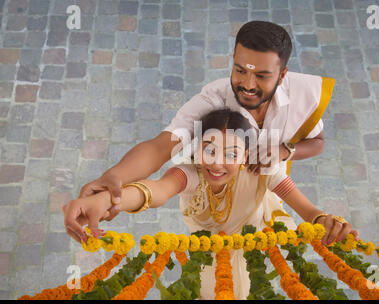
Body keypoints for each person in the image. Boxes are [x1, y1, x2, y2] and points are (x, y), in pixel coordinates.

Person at [65, 20, 335, 247]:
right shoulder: (210, 107)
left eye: (262, 76)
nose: (248, 85)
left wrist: (285, 151)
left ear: (283, 74)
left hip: (266, 194)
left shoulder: (304, 97)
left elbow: (318, 143)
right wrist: (112, 181)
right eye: (240, 71)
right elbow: (161, 150)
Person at [63, 109, 359, 300]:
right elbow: (155, 190)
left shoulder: (263, 170)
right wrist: (105, 199)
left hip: (253, 241)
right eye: (210, 149)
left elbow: (308, 210)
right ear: (197, 148)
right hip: (208, 250)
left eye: (231, 154)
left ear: (247, 156)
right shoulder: (188, 173)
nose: (217, 163)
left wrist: (325, 221)